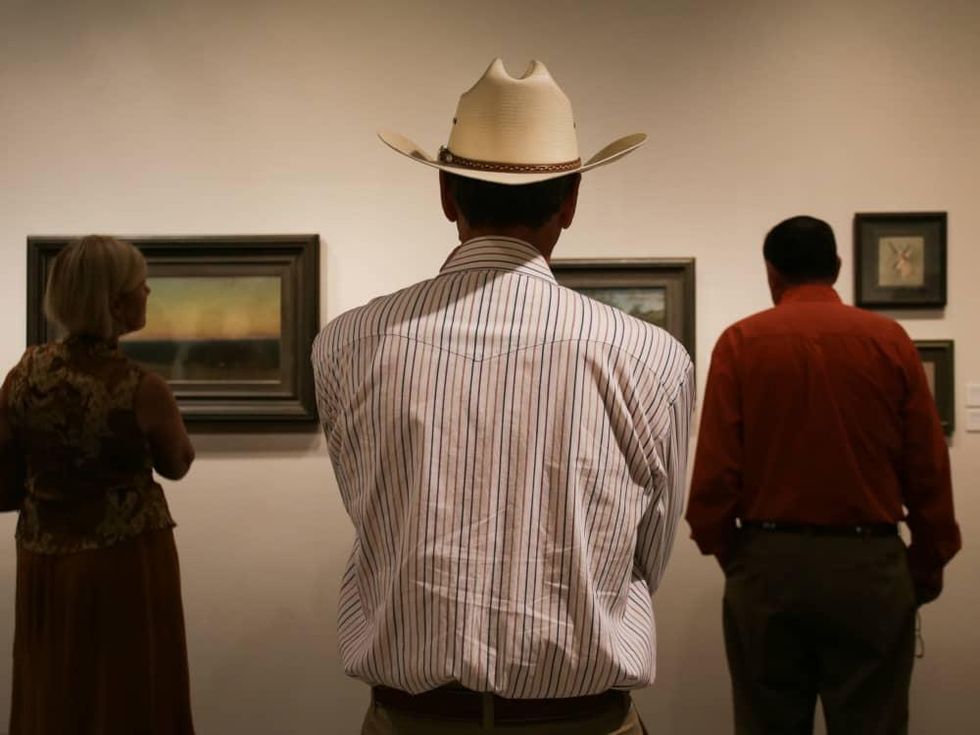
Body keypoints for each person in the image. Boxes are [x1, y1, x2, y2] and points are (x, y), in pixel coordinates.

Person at [313, 59, 694, 733]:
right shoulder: (650, 358)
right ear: (571, 202)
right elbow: (647, 558)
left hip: (412, 721)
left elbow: (370, 512)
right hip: (583, 721)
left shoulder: (348, 344)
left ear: (446, 194)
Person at [686, 215, 961, 735]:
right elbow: (927, 468)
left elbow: (715, 476)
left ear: (771, 272)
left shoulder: (741, 342)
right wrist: (924, 566)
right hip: (868, 565)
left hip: (768, 564)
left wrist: (738, 557)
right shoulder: (888, 340)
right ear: (836, 266)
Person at [0, 235, 197, 734]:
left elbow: (3, 479)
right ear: (114, 301)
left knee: (54, 686)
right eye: (140, 284)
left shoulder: (23, 374)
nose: (148, 292)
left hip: (45, 558)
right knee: (127, 689)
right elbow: (177, 463)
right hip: (124, 563)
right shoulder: (140, 388)